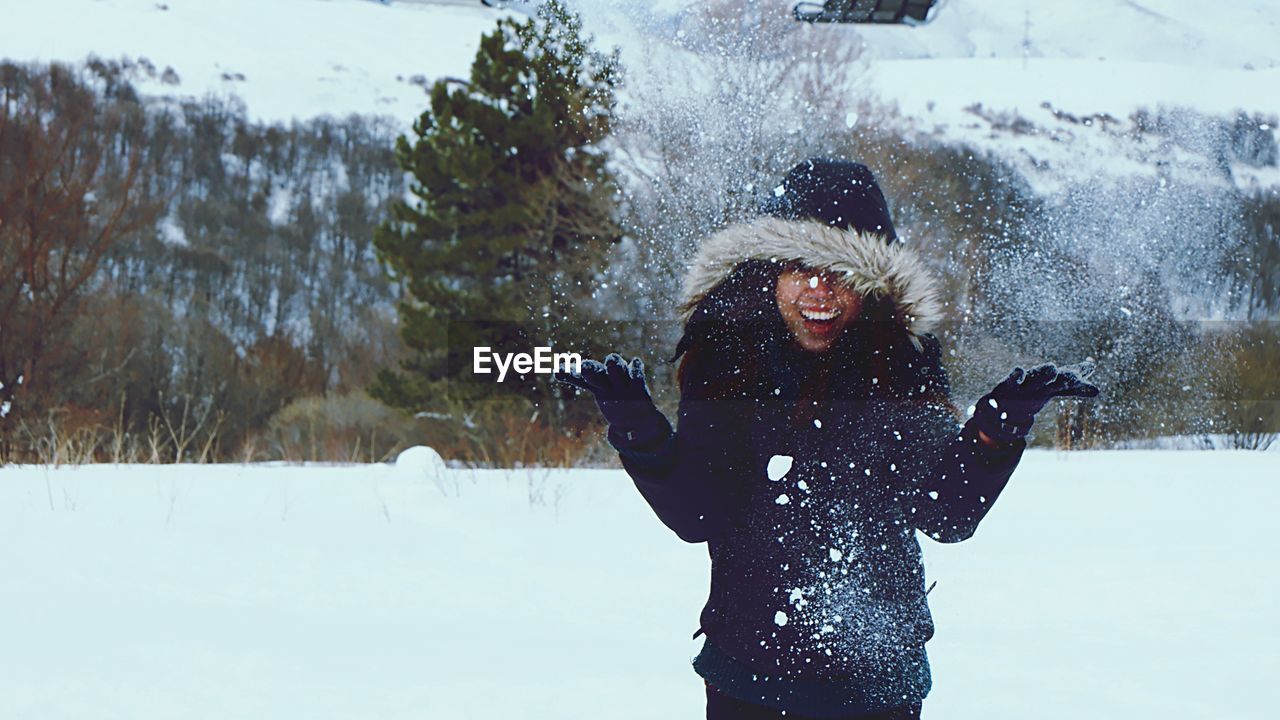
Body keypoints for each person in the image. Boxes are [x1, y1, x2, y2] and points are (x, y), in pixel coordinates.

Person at [556, 158, 1098, 719]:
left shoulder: (901, 367)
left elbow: (945, 514)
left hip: (878, 681)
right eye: (798, 268)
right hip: (748, 678)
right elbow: (698, 516)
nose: (819, 290)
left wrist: (997, 426)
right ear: (768, 273)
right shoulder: (728, 361)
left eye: (840, 272)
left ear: (874, 286)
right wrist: (637, 427)